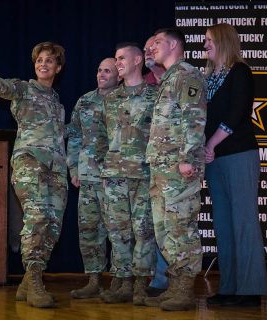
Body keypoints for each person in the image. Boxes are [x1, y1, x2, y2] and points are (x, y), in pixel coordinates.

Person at [0, 42, 67, 308]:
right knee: (36, 219)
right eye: (39, 60)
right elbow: (0, 86)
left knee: (52, 224)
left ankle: (27, 283)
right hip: (30, 164)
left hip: (56, 169)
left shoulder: (57, 102)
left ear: (58, 67)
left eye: (49, 61)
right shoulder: (24, 89)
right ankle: (34, 281)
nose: (43, 64)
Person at [202, 23, 267, 307]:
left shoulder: (240, 71)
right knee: (224, 224)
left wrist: (211, 144)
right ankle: (229, 287)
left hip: (238, 154)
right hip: (215, 159)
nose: (205, 45)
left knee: (243, 222)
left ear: (224, 41)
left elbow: (236, 114)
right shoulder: (208, 77)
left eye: (209, 40)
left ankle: (250, 289)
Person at [144, 27, 207, 311]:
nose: (152, 47)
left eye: (157, 42)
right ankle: (175, 282)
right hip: (161, 168)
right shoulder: (167, 79)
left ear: (172, 44)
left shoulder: (187, 75)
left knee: (181, 227)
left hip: (178, 168)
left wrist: (188, 158)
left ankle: (185, 288)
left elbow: (194, 120)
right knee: (163, 230)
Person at [100, 42, 157, 306]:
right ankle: (121, 282)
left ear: (138, 60)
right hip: (113, 175)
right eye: (115, 58)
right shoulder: (110, 98)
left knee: (144, 231)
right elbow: (102, 137)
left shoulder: (154, 95)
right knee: (117, 231)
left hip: (143, 174)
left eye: (122, 58)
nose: (117, 62)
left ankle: (140, 285)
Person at [67, 58, 119, 299]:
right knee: (89, 230)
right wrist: (73, 169)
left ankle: (120, 281)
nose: (101, 74)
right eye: (99, 70)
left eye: (107, 70)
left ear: (119, 75)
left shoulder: (123, 100)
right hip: (87, 176)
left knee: (117, 230)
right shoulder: (85, 100)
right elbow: (75, 135)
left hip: (115, 178)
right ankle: (94, 279)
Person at [142, 35, 169, 298]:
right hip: (144, 164)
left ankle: (163, 279)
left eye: (153, 47)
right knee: (150, 226)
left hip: (170, 164)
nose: (149, 51)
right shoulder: (142, 84)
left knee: (169, 224)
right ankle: (148, 275)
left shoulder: (175, 79)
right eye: (145, 48)